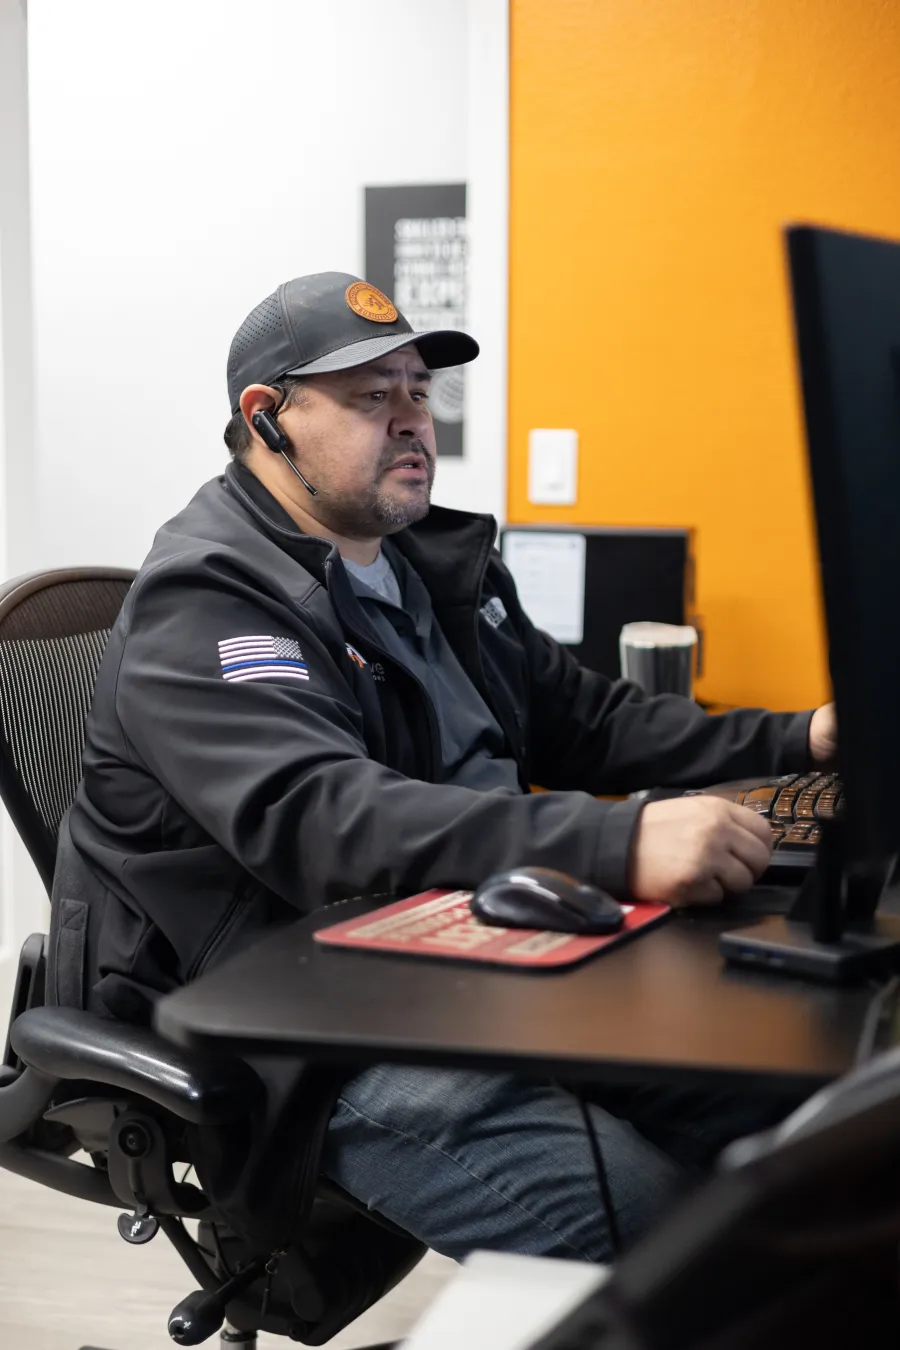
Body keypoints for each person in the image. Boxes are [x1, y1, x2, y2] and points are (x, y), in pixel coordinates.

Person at [61, 271, 837, 1265]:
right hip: (304, 1016)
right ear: (267, 420)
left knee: (792, 1103)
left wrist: (799, 738)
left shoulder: (427, 560)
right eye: (369, 396)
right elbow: (329, 818)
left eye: (419, 393)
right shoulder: (207, 600)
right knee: (665, 1236)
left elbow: (583, 720)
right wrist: (615, 839)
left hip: (458, 949)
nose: (411, 421)